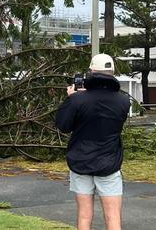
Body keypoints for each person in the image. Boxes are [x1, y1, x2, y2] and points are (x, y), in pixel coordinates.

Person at [55, 54, 130, 230]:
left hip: (81, 162)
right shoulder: (123, 101)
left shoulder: (77, 99)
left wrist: (71, 98)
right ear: (112, 73)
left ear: (91, 71)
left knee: (84, 215)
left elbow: (63, 125)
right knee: (113, 218)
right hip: (109, 163)